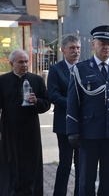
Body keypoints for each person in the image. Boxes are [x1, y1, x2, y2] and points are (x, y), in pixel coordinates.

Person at [66, 25, 109, 196]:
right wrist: (72, 130)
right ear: (93, 44)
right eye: (102, 43)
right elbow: (73, 102)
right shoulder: (80, 69)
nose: (107, 47)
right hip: (89, 132)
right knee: (86, 178)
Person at [0, 49, 51, 195]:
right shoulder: (3, 81)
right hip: (9, 129)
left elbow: (46, 103)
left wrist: (37, 101)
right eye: (21, 62)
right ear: (11, 63)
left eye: (26, 61)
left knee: (31, 163)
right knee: (10, 162)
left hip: (31, 130)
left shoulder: (37, 80)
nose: (25, 65)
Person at [47, 35, 81, 195]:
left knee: (82, 164)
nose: (76, 51)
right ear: (63, 50)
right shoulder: (55, 69)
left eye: (78, 48)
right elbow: (53, 96)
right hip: (64, 124)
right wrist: (76, 103)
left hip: (83, 124)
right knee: (65, 163)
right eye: (72, 48)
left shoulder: (84, 67)